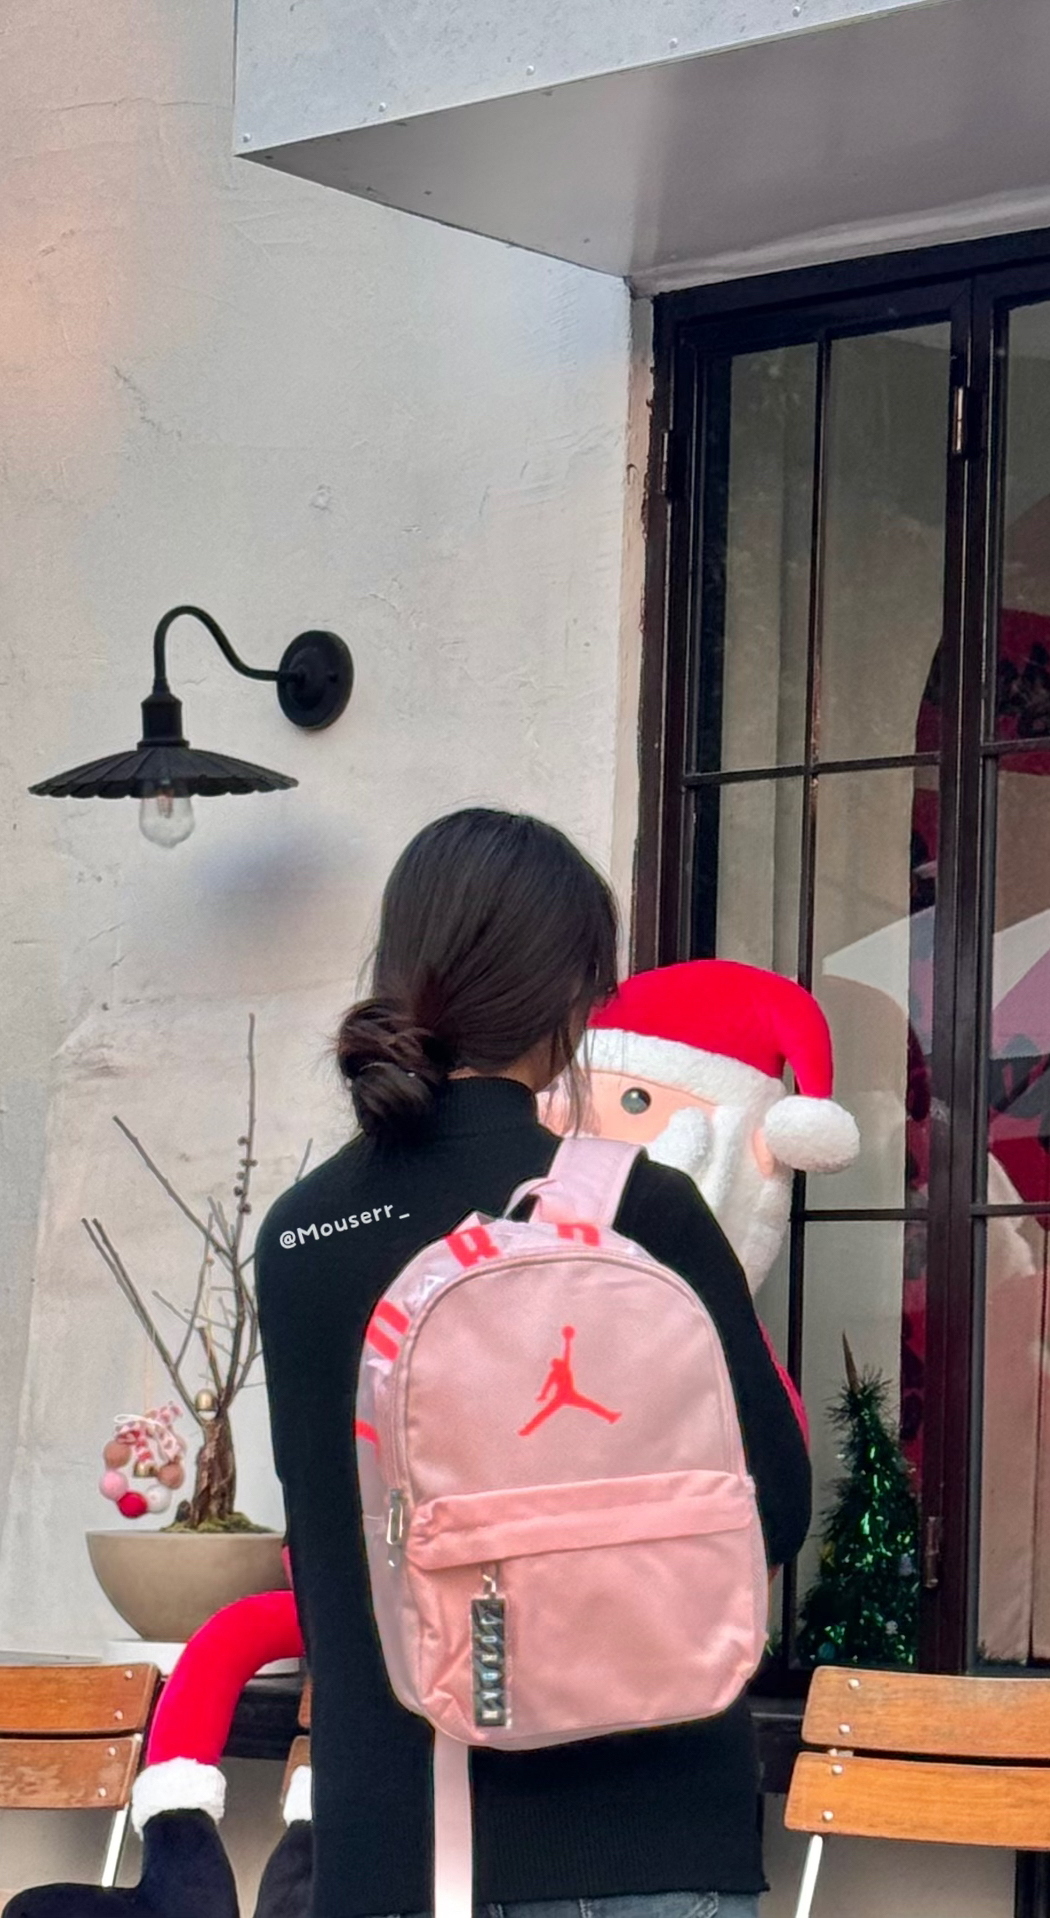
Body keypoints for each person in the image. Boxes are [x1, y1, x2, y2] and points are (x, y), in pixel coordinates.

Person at [257, 807, 812, 1918]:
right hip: (646, 1842)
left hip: (394, 1847)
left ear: (400, 967)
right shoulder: (641, 1207)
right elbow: (776, 1510)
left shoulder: (300, 1234)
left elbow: (325, 1548)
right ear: (572, 998)